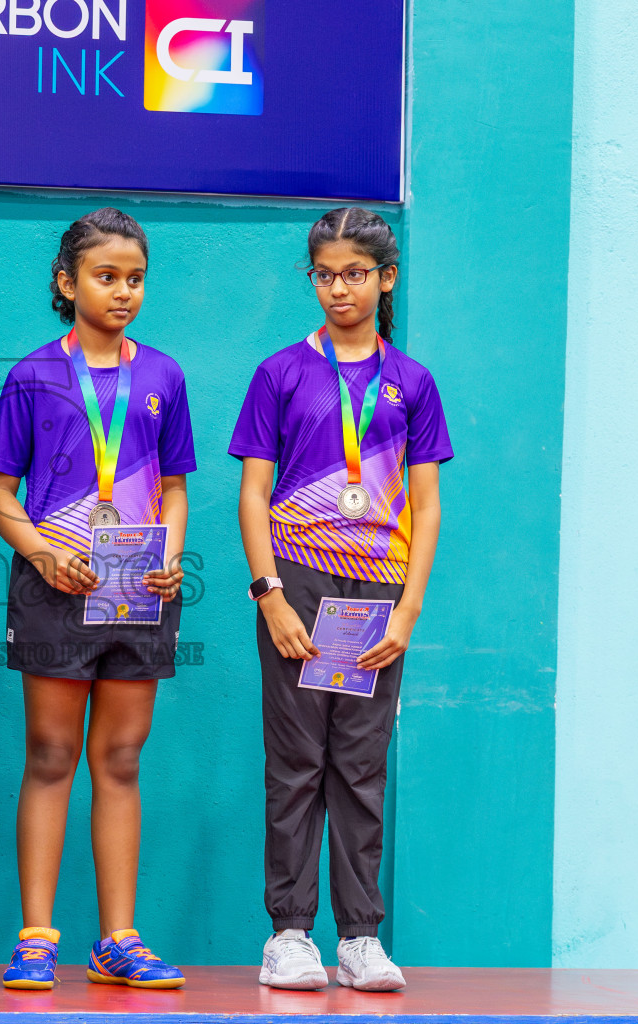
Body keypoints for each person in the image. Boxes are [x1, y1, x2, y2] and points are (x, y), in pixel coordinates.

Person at [230, 208, 453, 992]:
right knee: (295, 763)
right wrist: (270, 596)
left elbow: (425, 507)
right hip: (299, 579)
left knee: (359, 766)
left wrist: (408, 608)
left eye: (355, 274)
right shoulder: (281, 373)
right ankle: (289, 934)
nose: (338, 289)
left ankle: (360, 938)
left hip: (378, 592)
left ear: (385, 277)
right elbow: (253, 494)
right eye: (324, 275)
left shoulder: (412, 382)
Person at [0, 208, 194, 991]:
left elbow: (174, 490)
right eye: (107, 277)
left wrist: (167, 555)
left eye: (135, 279)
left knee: (121, 758)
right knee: (49, 756)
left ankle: (118, 939)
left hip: (138, 589)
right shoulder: (34, 375)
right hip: (54, 586)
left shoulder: (164, 376)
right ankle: (37, 935)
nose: (123, 292)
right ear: (67, 283)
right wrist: (44, 551)